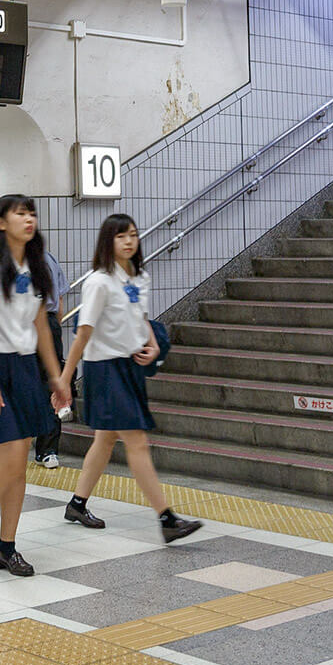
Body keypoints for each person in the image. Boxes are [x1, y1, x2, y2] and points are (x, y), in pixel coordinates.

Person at [58, 213, 201, 542]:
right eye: (121, 236)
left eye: (133, 235)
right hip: (104, 369)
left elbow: (142, 318)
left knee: (106, 439)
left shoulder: (139, 277)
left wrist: (152, 346)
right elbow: (82, 333)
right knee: (136, 442)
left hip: (129, 366)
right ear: (108, 242)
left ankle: (77, 504)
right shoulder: (98, 282)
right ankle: (166, 519)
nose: (129, 241)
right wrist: (65, 379)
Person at [0, 195, 71, 576]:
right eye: (20, 213)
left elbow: (41, 327)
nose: (28, 219)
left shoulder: (36, 266)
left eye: (31, 213)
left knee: (18, 464)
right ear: (1, 222)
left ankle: (7, 547)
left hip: (22, 366)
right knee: (12, 460)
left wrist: (56, 376)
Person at [33, 249, 71, 469]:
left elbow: (58, 299)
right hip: (26, 325)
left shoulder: (47, 259)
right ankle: (46, 450)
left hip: (43, 323)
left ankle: (47, 449)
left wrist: (53, 327)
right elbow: (60, 300)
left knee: (51, 386)